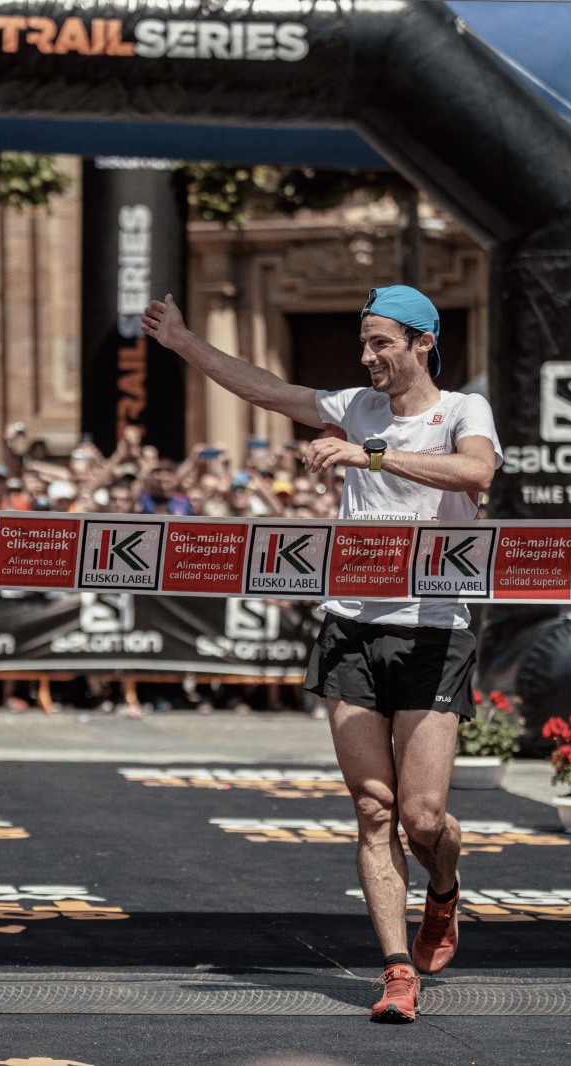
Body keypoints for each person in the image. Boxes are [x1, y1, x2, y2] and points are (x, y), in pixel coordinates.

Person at [141, 284, 500, 1024]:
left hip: (434, 625)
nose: (367, 357)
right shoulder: (354, 405)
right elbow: (268, 388)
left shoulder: (461, 410)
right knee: (374, 810)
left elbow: (475, 475)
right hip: (351, 624)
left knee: (424, 818)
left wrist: (369, 455)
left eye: (382, 344)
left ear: (423, 343)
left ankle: (444, 889)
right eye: (364, 343)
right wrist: (183, 342)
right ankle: (397, 971)